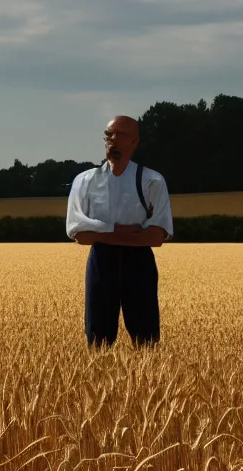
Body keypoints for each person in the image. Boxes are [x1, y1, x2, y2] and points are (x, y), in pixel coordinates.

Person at [65, 115, 173, 349]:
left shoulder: (152, 181)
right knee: (98, 338)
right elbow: (79, 234)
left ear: (134, 142)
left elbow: (156, 237)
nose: (112, 139)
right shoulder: (84, 182)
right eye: (108, 135)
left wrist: (99, 232)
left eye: (120, 135)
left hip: (139, 263)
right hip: (102, 262)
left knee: (147, 339)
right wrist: (125, 230)